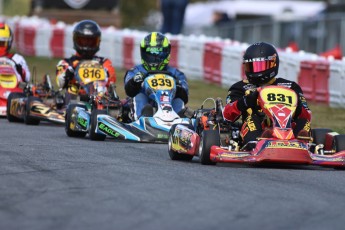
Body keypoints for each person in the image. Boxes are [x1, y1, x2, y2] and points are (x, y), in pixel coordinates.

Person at [223, 42, 312, 146]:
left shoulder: (290, 86)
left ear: (273, 64)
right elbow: (226, 115)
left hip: (288, 129)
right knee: (252, 119)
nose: (256, 70)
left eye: (260, 66)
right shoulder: (239, 87)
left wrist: (298, 107)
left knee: (304, 122)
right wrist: (245, 102)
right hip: (257, 127)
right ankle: (261, 141)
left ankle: (302, 142)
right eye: (252, 66)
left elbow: (307, 115)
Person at [124, 32, 189, 120]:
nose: (153, 58)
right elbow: (129, 91)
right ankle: (141, 121)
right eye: (150, 54)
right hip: (145, 104)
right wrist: (135, 81)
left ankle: (179, 124)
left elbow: (184, 97)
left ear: (167, 53)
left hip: (167, 104)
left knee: (178, 101)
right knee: (139, 97)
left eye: (157, 54)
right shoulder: (136, 71)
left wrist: (178, 86)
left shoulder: (176, 74)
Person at [56, 20, 116, 99]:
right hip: (74, 101)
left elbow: (111, 82)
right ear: (76, 40)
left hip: (98, 102)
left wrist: (104, 76)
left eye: (91, 41)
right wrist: (69, 72)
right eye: (83, 41)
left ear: (97, 42)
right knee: (72, 89)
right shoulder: (67, 63)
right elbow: (60, 83)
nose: (87, 44)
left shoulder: (104, 63)